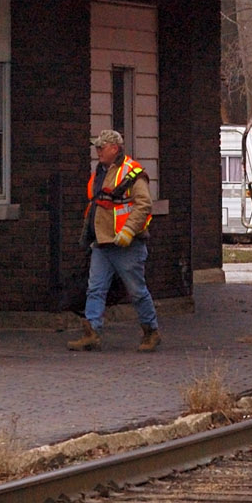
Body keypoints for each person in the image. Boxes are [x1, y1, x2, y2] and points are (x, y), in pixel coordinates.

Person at [68, 129, 160, 352]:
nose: (97, 150)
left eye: (102, 147)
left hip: (126, 244)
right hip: (103, 242)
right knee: (95, 289)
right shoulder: (101, 171)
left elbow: (144, 205)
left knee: (136, 291)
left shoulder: (132, 172)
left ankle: (151, 331)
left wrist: (129, 230)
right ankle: (91, 332)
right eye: (97, 147)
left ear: (114, 148)